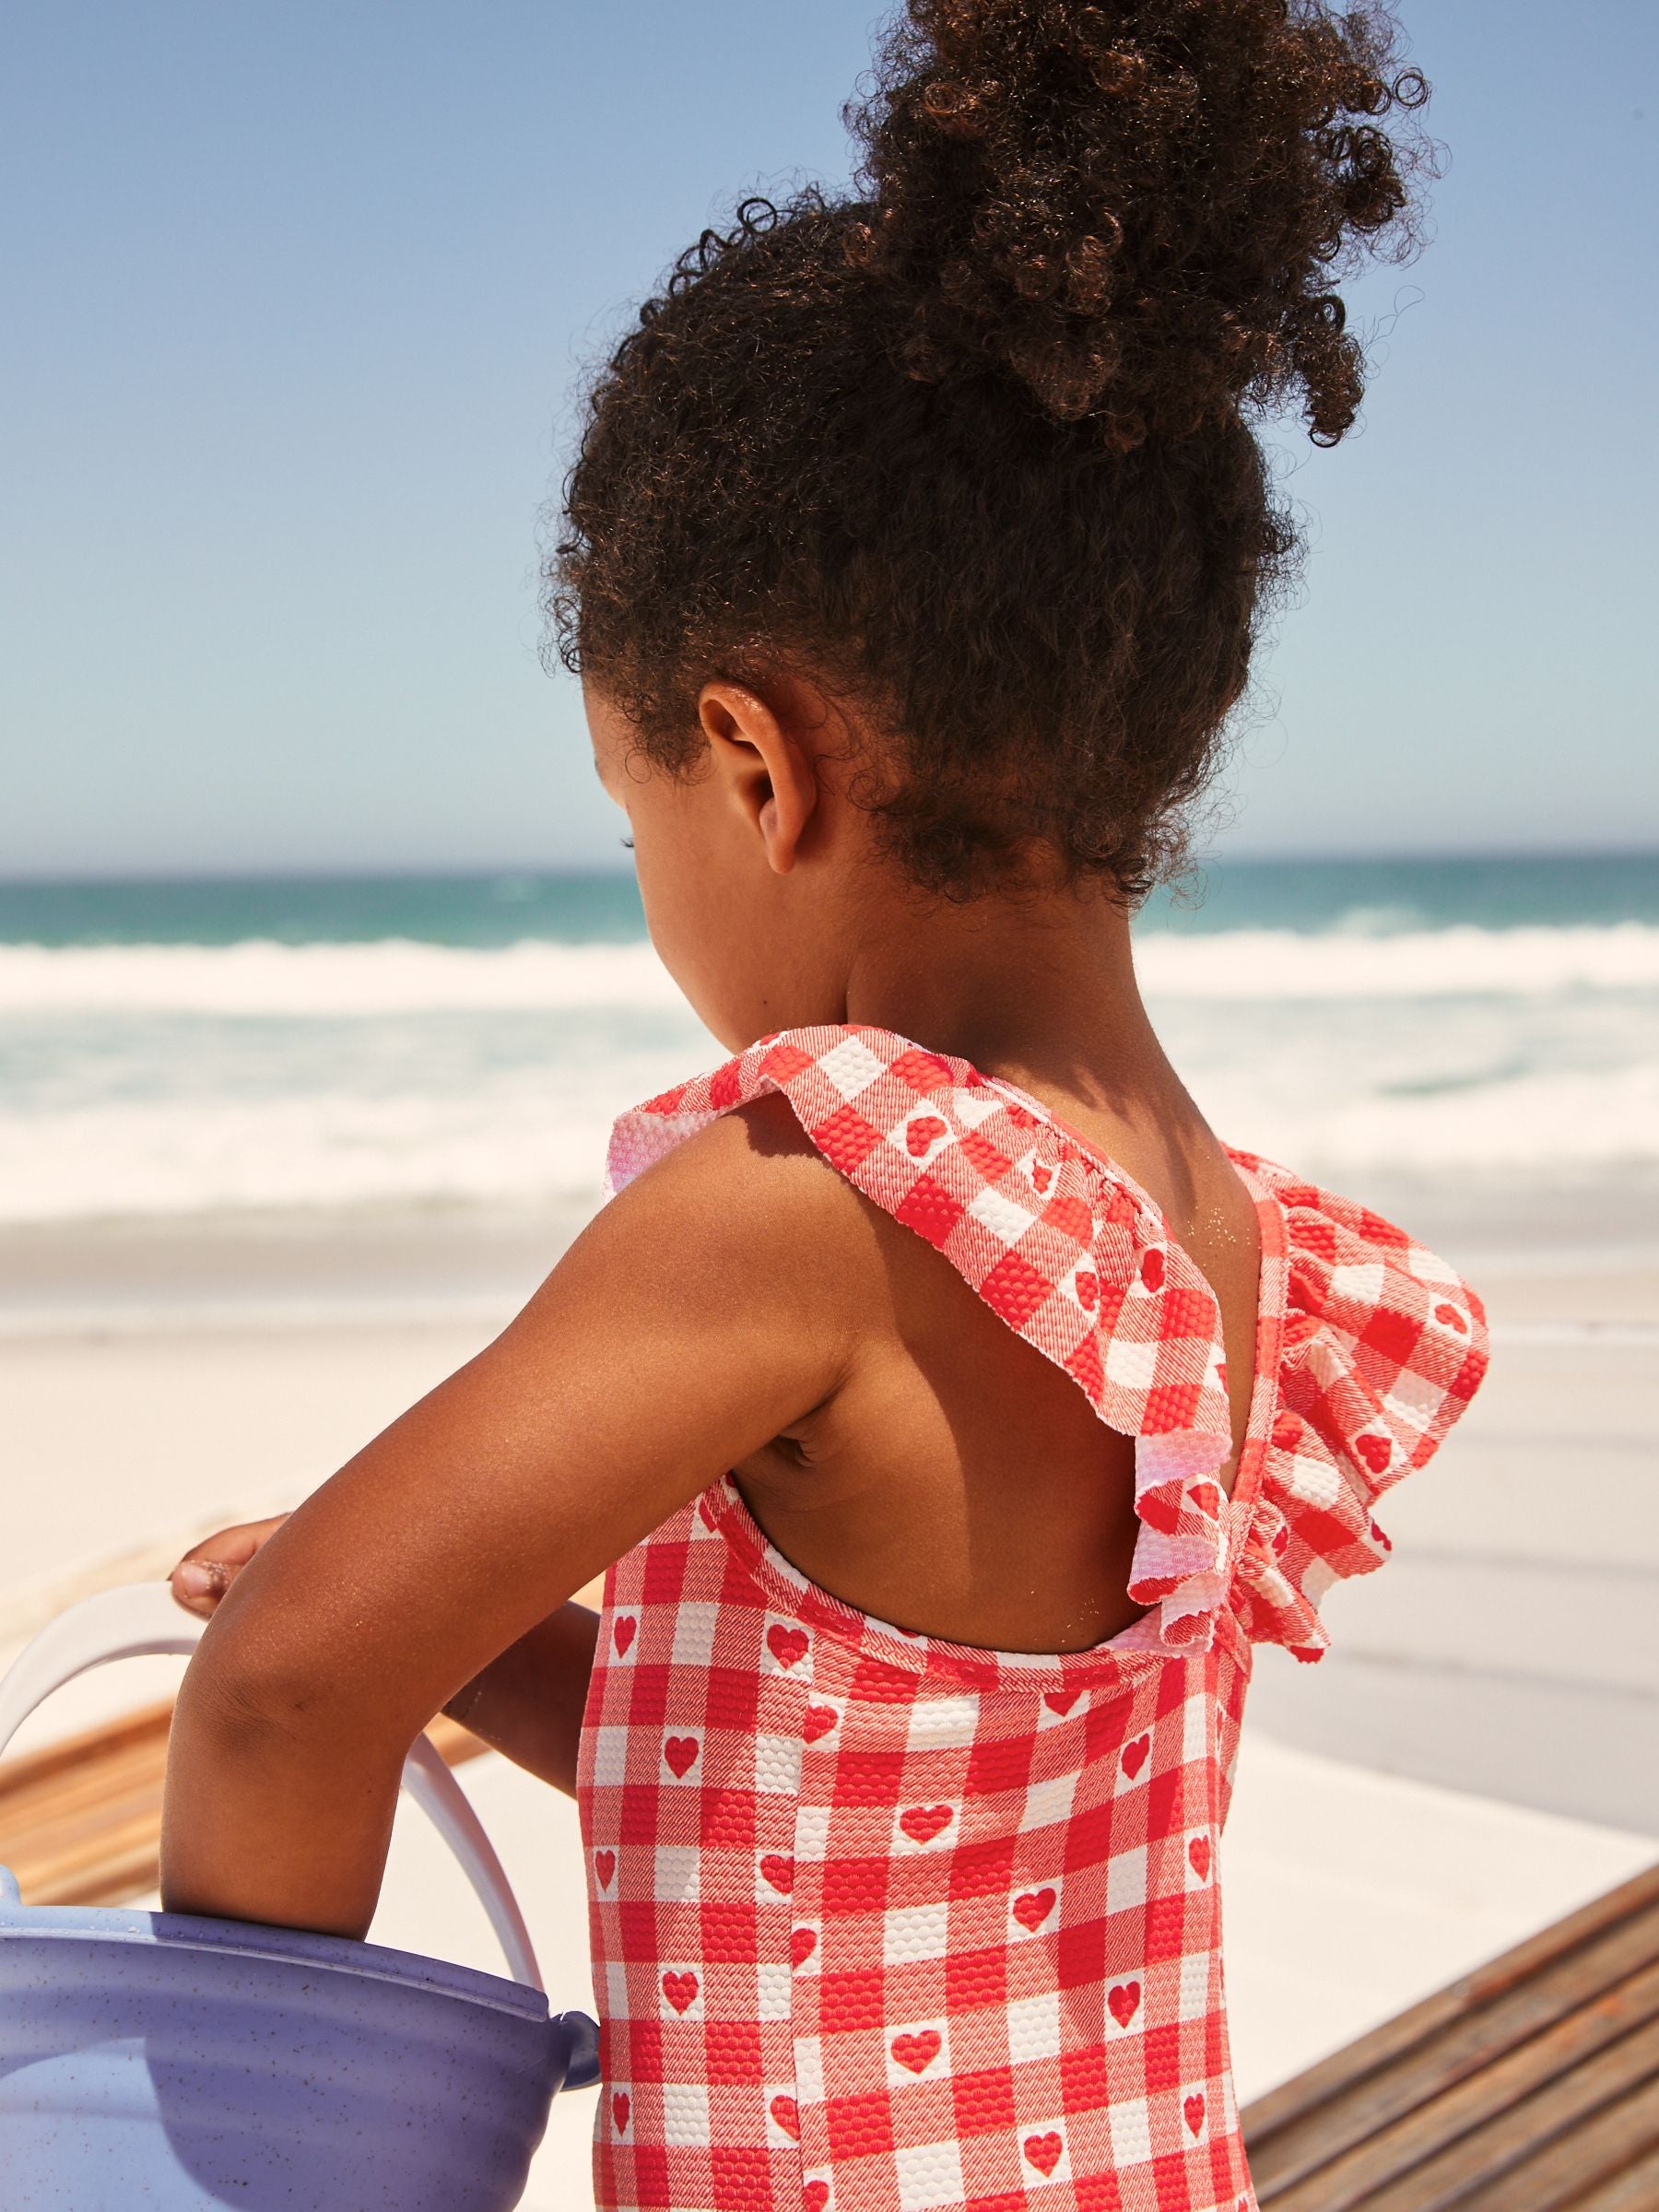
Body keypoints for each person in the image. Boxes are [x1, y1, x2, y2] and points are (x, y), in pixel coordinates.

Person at [162, 6, 1486, 2206]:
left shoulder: (810, 1200)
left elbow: (287, 1696)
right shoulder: (1207, 1234)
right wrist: (485, 1641)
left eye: (631, 814)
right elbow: (872, 1828)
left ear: (755, 767)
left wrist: (240, 2141)